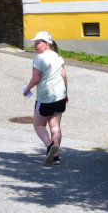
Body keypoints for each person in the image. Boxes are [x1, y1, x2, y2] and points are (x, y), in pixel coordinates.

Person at [23, 30, 67, 165]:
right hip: (60, 96)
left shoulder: (39, 59)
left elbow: (36, 78)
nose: (35, 46)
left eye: (38, 43)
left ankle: (49, 146)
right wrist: (66, 94)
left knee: (38, 125)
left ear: (47, 44)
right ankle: (56, 157)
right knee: (55, 127)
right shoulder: (58, 57)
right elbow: (64, 76)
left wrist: (28, 88)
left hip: (45, 98)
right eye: (35, 43)